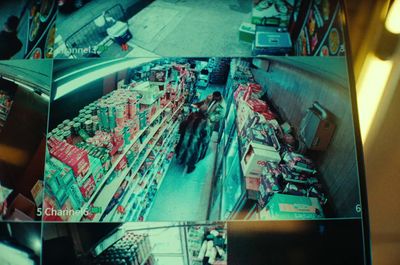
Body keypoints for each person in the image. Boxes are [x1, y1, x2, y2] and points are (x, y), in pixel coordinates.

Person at [192, 91, 226, 160]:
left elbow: (221, 115)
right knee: (199, 135)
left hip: (210, 123)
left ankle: (202, 155)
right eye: (213, 97)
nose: (213, 98)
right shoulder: (211, 96)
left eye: (215, 98)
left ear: (219, 97)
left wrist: (211, 118)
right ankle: (195, 151)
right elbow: (204, 101)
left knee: (206, 139)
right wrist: (197, 105)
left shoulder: (222, 105)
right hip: (203, 119)